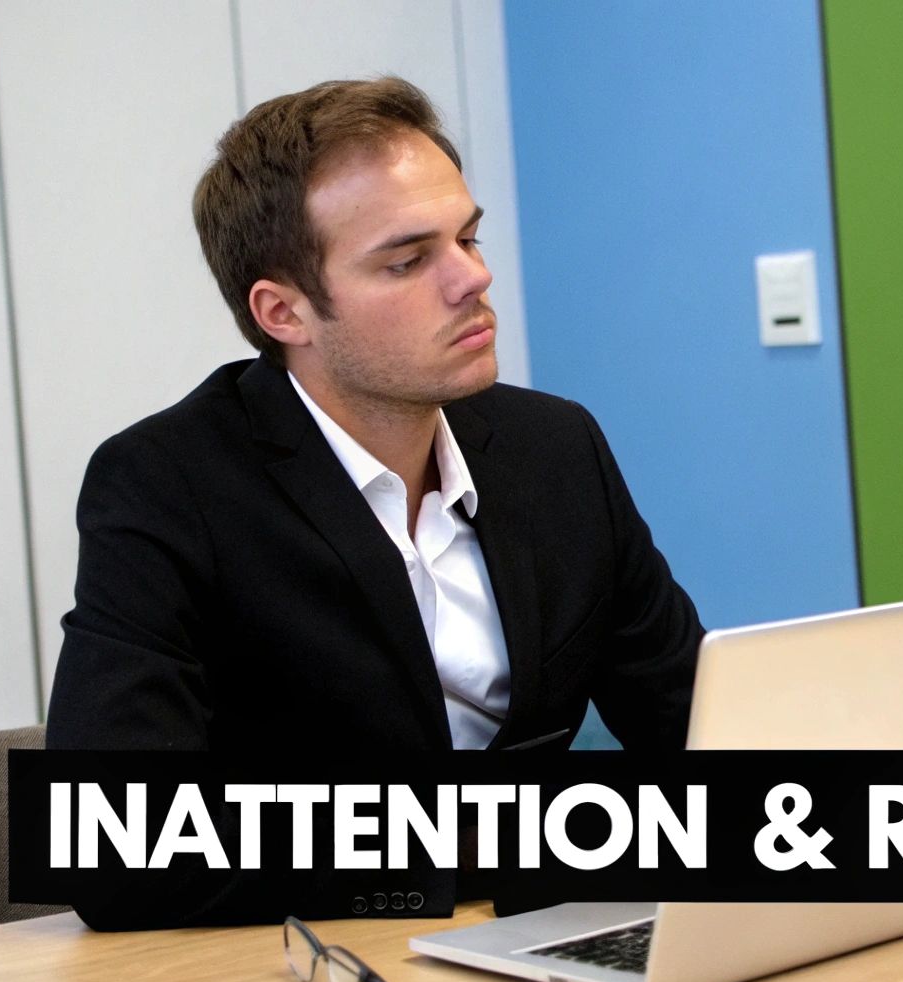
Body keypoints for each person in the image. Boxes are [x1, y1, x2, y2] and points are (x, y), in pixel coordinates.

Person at [45, 78, 704, 928]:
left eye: (467, 237)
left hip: (542, 938)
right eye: (407, 260)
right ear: (284, 312)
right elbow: (111, 848)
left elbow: (693, 726)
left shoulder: (557, 448)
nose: (473, 277)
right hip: (317, 973)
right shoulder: (168, 485)